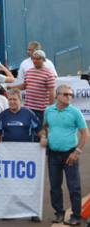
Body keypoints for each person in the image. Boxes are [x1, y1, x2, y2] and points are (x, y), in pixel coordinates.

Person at [44, 85, 89, 226]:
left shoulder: (75, 112)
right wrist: (43, 136)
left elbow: (85, 134)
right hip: (53, 154)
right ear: (57, 96)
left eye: (71, 95)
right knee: (55, 186)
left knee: (74, 186)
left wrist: (77, 152)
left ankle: (76, 216)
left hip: (70, 155)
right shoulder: (48, 110)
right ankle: (59, 213)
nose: (69, 97)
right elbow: (44, 127)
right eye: (65, 94)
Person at [17, 50, 56, 124]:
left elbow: (52, 91)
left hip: (41, 110)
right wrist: (11, 88)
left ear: (43, 60)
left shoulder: (49, 74)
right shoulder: (29, 72)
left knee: (41, 131)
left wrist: (51, 107)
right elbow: (24, 86)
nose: (35, 61)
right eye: (33, 59)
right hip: (28, 108)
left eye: (38, 59)